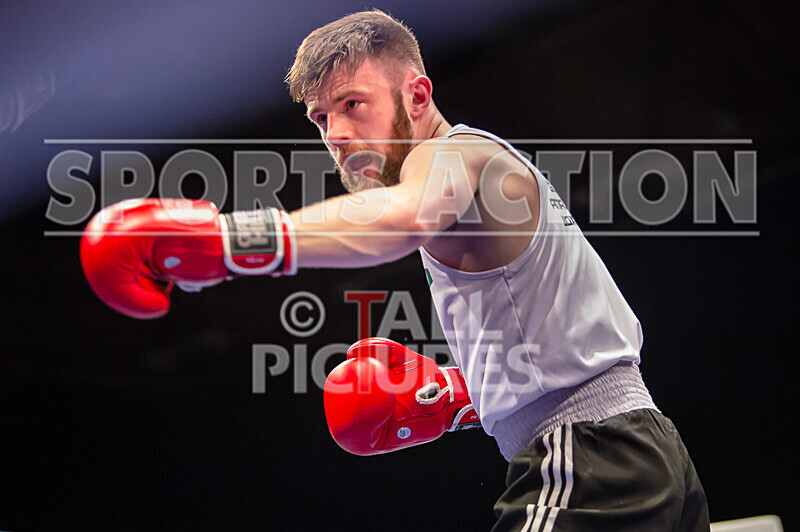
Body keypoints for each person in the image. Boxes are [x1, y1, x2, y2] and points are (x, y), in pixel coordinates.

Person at [80, 9, 710, 531]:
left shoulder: (453, 156)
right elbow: (561, 330)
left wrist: (225, 241)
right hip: (643, 451)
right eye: (324, 118)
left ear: (416, 93)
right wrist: (461, 395)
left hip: (589, 458)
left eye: (355, 103)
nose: (339, 133)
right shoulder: (482, 170)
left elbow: (398, 219)